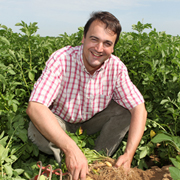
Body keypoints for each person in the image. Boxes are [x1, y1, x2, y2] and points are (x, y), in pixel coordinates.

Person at [26, 11, 147, 180]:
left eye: (107, 43)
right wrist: (71, 148)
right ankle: (71, 163)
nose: (98, 49)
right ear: (83, 38)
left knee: (126, 111)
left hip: (91, 122)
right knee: (36, 128)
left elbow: (139, 108)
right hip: (60, 121)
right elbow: (35, 106)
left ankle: (96, 163)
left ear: (113, 47)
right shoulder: (62, 59)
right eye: (94, 39)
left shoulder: (116, 68)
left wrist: (129, 154)